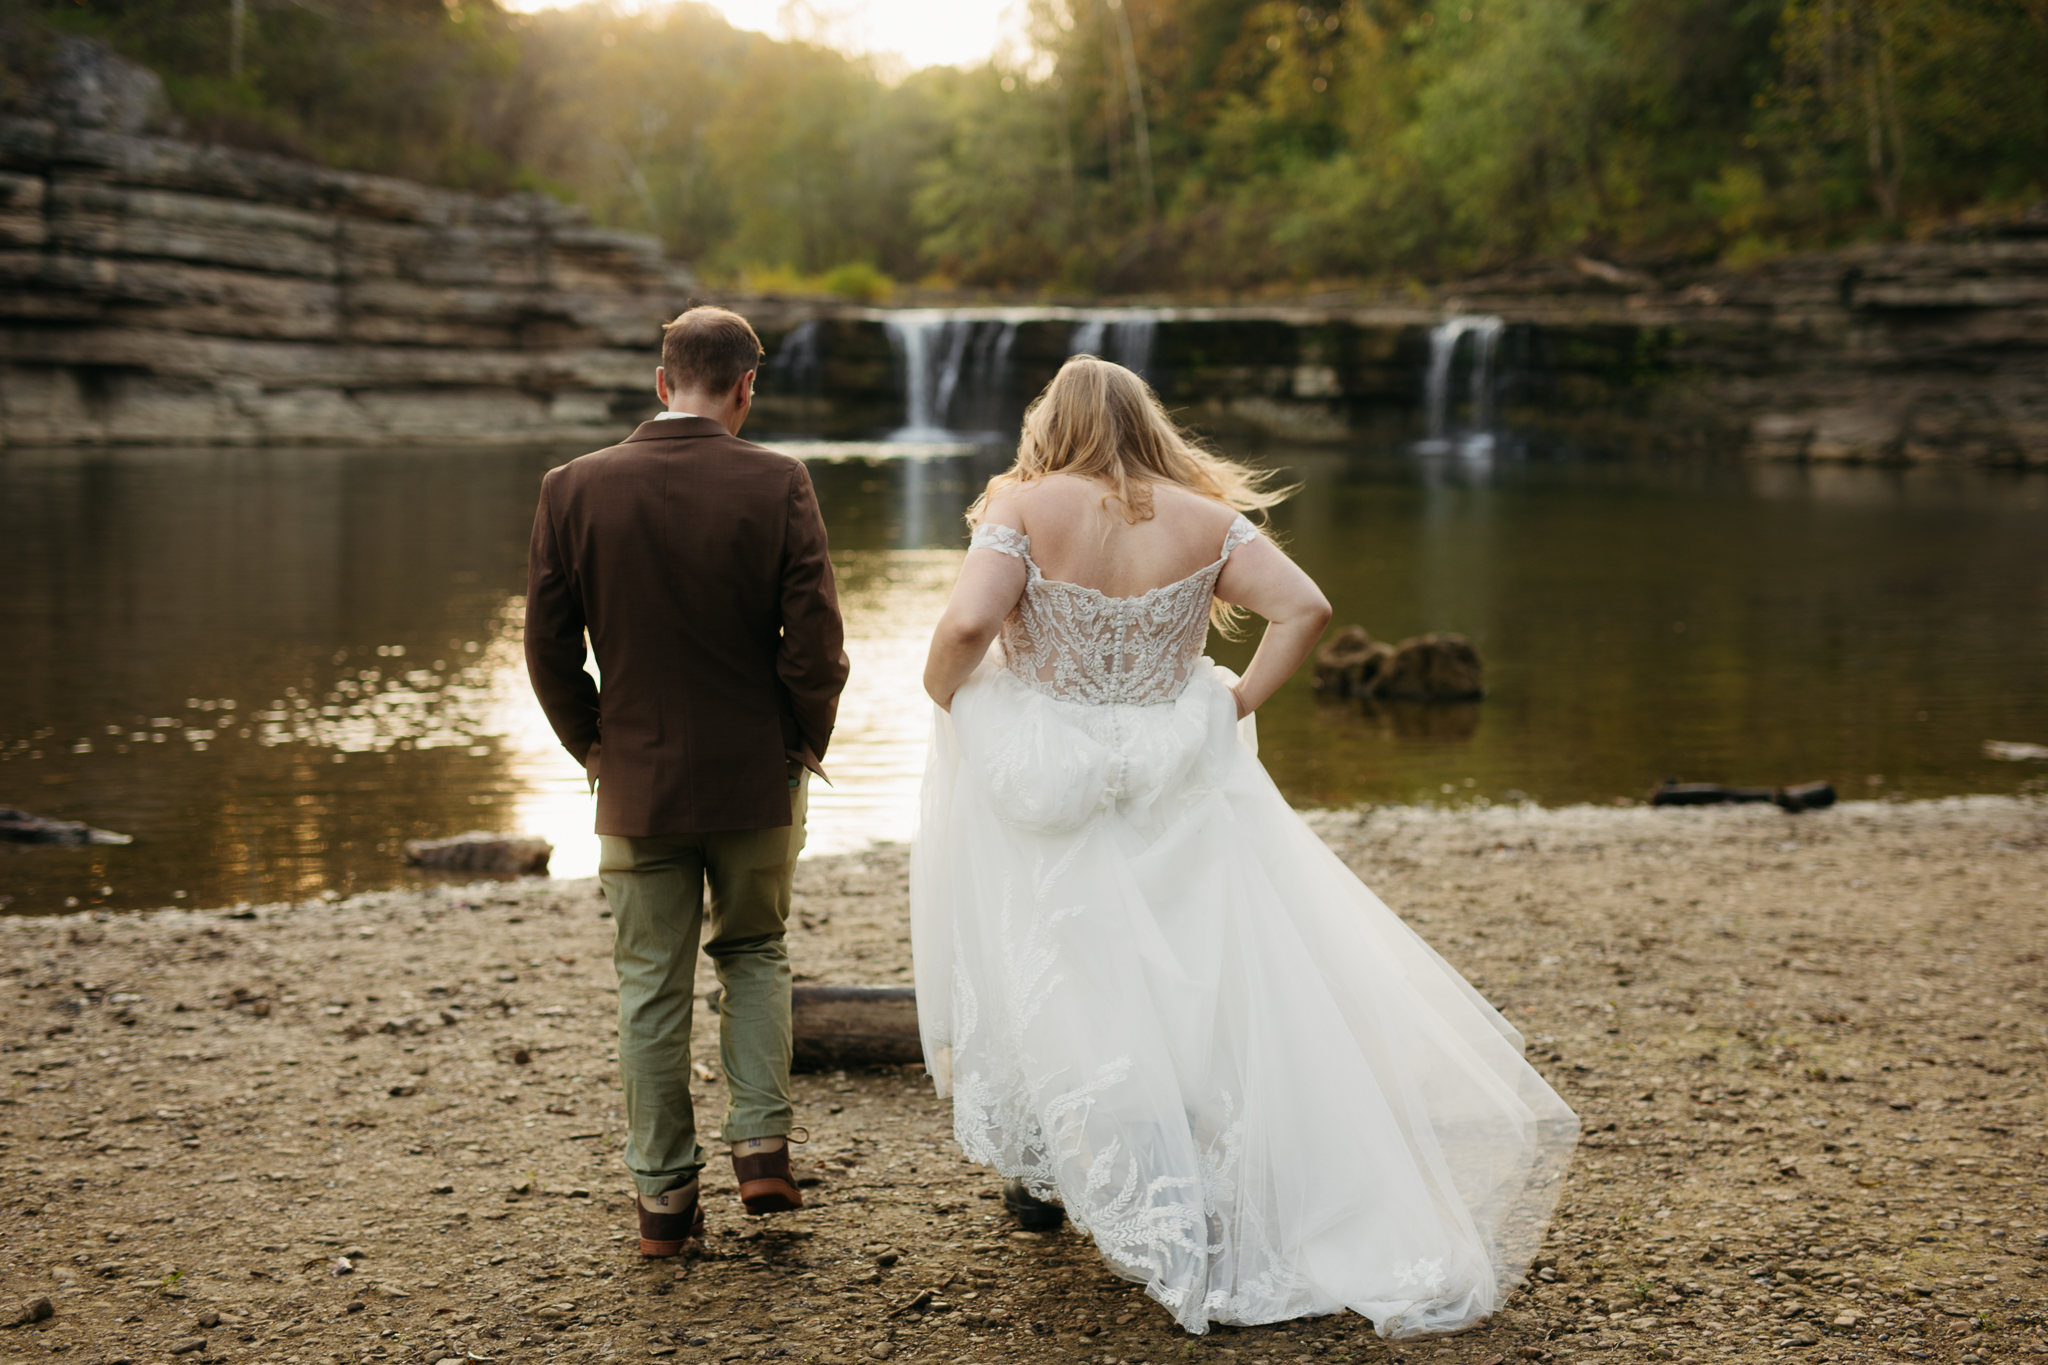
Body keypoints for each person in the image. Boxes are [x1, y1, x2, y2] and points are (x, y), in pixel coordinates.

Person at [910, 356, 1578, 1338]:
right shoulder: (1199, 516)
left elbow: (968, 619)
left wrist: (943, 693)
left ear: (1051, 425)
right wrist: (1233, 701)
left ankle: (1047, 1182)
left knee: (1059, 958)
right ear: (1148, 424)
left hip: (1048, 769)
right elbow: (1303, 607)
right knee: (1193, 964)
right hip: (1168, 766)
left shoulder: (1021, 500)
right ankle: (1202, 1165)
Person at [525, 305, 849, 1258]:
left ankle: (664, 1206)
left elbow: (548, 652)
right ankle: (761, 1152)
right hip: (755, 778)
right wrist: (798, 744)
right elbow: (817, 647)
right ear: (746, 388)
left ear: (662, 383)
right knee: (753, 952)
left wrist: (597, 749)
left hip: (637, 787)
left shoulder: (569, 488)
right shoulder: (780, 480)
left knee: (648, 989)